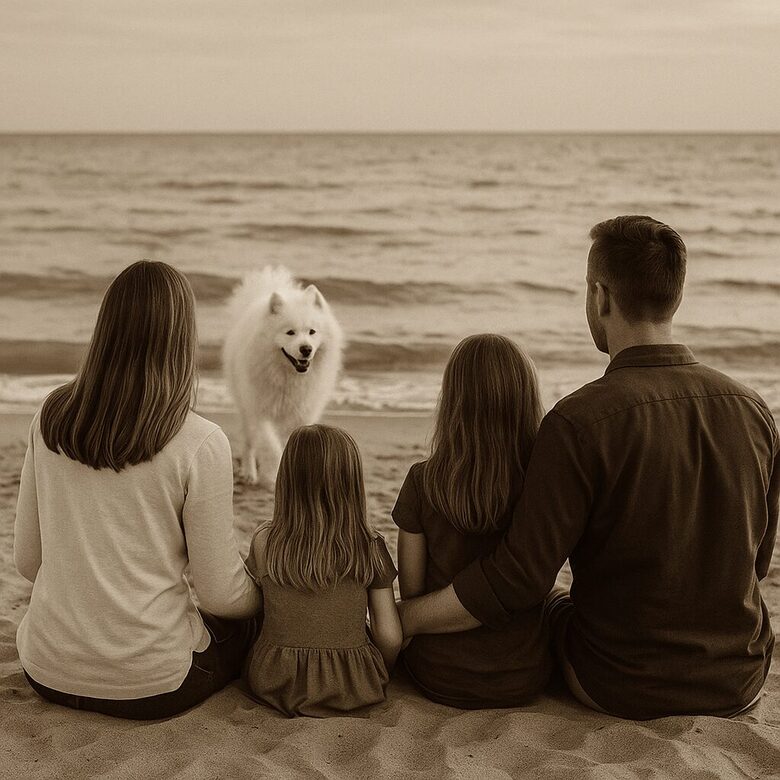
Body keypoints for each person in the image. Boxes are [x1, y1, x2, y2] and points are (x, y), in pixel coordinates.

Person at [398, 215, 779, 720]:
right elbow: (754, 562)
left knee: (551, 603)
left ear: (600, 295)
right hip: (740, 678)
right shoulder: (754, 410)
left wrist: (408, 617)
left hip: (621, 683)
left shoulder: (579, 422)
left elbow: (518, 579)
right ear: (674, 297)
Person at [14, 260, 260, 720]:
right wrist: (265, 591)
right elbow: (219, 595)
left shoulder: (49, 418)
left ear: (105, 328)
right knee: (249, 624)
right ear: (183, 339)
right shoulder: (201, 441)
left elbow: (29, 563)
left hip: (46, 670)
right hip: (153, 685)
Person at [393, 334, 553, 708]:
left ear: (453, 401)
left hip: (439, 673)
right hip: (526, 674)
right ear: (526, 400)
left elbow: (413, 593)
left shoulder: (422, 481)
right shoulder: (542, 486)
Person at [243, 424, 402, 717]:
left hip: (276, 681)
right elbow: (389, 636)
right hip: (354, 685)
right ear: (353, 483)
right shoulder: (370, 545)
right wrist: (378, 668)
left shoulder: (265, 540)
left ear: (286, 479)